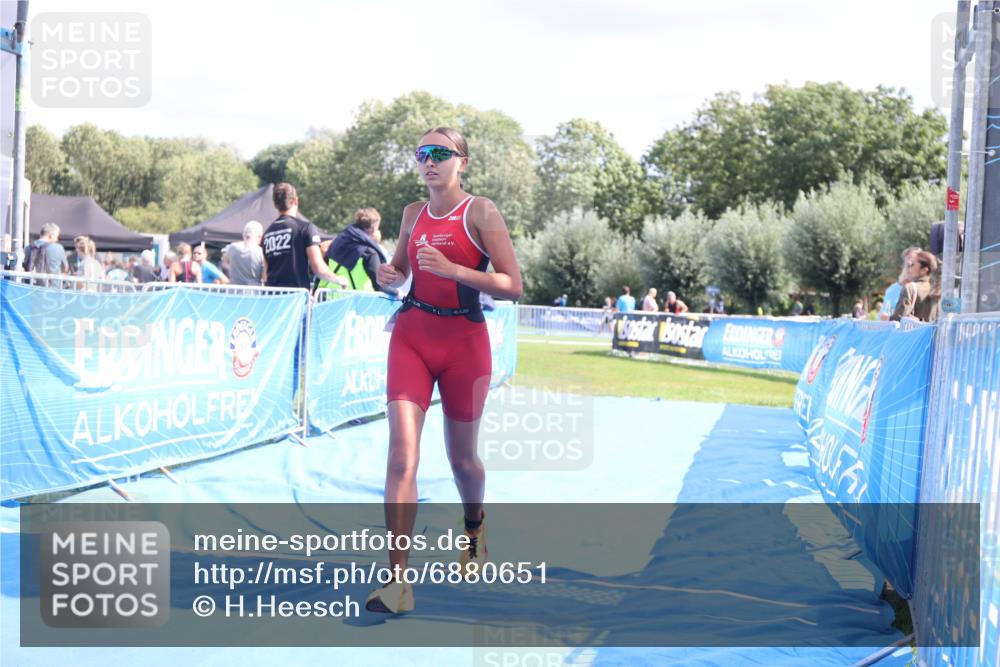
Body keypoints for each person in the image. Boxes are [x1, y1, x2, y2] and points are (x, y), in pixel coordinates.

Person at [365, 127, 522, 614]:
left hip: (465, 344)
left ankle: (474, 527)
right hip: (412, 337)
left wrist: (456, 271)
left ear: (463, 162)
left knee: (462, 462)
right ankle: (397, 583)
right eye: (421, 155)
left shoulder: (481, 211)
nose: (429, 162)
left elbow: (512, 286)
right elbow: (400, 271)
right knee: (400, 458)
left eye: (440, 154)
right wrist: (386, 276)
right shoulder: (412, 213)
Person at [262, 183, 347, 290]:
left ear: (275, 204)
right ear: (296, 201)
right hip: (294, 298)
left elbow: (265, 274)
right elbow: (318, 268)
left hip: (272, 298)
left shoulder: (267, 234)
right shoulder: (305, 228)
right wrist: (339, 280)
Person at [317, 208, 396, 295]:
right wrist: (397, 293)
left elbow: (322, 271)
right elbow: (379, 286)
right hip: (358, 303)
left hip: (330, 301)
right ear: (374, 228)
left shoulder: (335, 244)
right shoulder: (369, 253)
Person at [891, 250, 940, 322]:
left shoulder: (909, 288)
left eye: (912, 265)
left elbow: (897, 321)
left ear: (924, 270)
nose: (908, 268)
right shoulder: (938, 289)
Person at [880, 247, 921, 320]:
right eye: (908, 264)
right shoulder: (892, 290)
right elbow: (883, 317)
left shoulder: (928, 290)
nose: (910, 264)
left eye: (913, 263)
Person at [223, 221, 265, 286]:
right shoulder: (261, 252)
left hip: (233, 291)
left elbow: (224, 260)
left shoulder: (232, 247)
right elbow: (264, 276)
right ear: (260, 236)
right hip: (253, 292)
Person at [27, 223, 69, 287]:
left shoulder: (28, 248)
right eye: (57, 236)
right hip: (52, 288)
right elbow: (65, 268)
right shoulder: (58, 248)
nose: (57, 239)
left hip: (30, 288)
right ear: (51, 235)